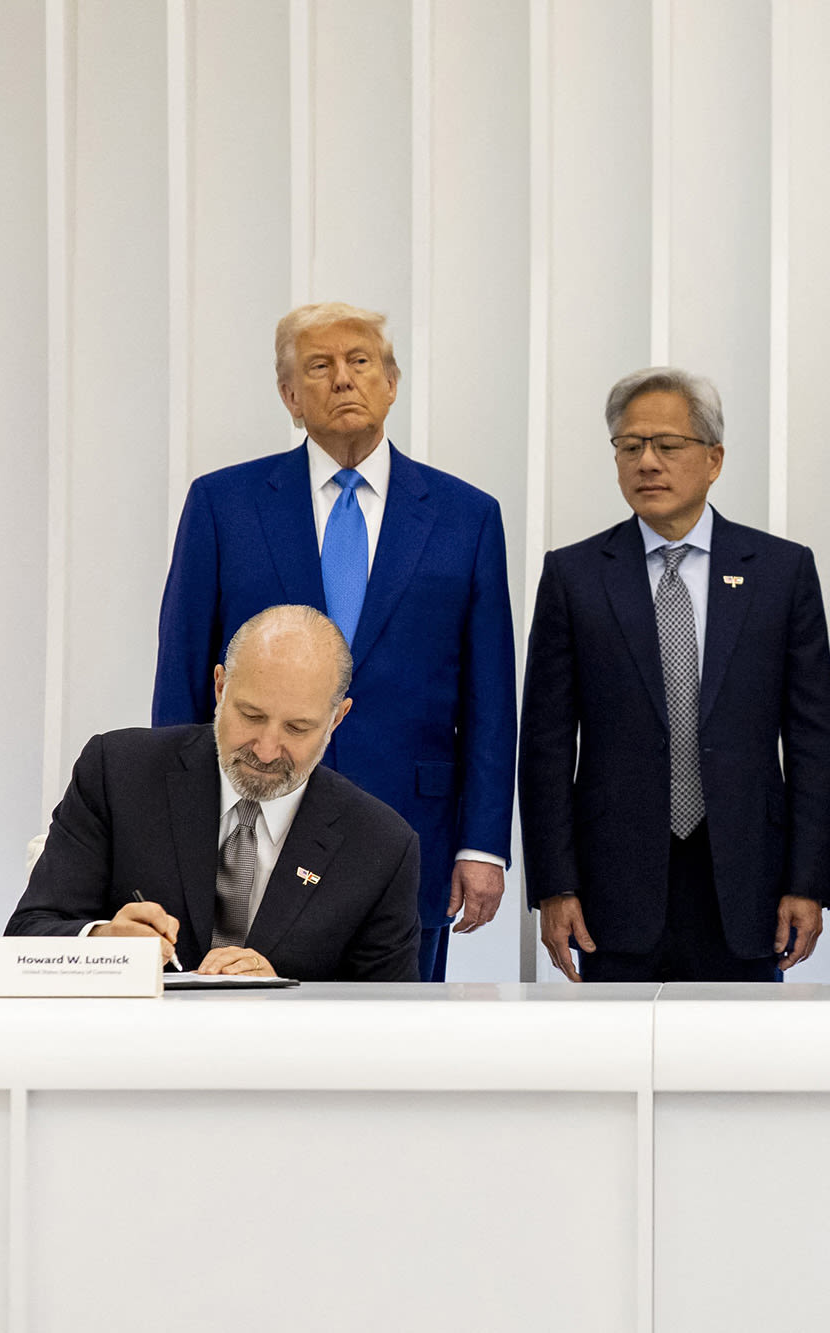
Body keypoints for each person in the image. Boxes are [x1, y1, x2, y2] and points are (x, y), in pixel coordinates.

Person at [151, 303, 516, 982]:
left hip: (412, 826)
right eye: (319, 366)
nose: (343, 379)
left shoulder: (466, 516)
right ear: (291, 396)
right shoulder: (224, 505)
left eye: (360, 361)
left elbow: (490, 696)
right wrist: (172, 828)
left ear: (392, 383)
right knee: (241, 1013)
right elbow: (182, 672)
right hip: (250, 818)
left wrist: (483, 844)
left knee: (396, 1033)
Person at [520, 368, 830, 981]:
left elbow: (812, 740)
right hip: (613, 884)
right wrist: (556, 886)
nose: (647, 462)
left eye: (668, 445)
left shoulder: (781, 572)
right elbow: (546, 746)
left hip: (747, 880)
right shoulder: (575, 576)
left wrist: (807, 881)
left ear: (714, 459)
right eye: (629, 446)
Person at [9, 605, 420, 981]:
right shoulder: (118, 772)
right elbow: (27, 936)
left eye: (297, 728)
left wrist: (286, 999)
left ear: (336, 719)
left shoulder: (381, 845)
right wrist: (103, 941)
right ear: (220, 688)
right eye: (251, 715)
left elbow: (391, 1015)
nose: (266, 750)